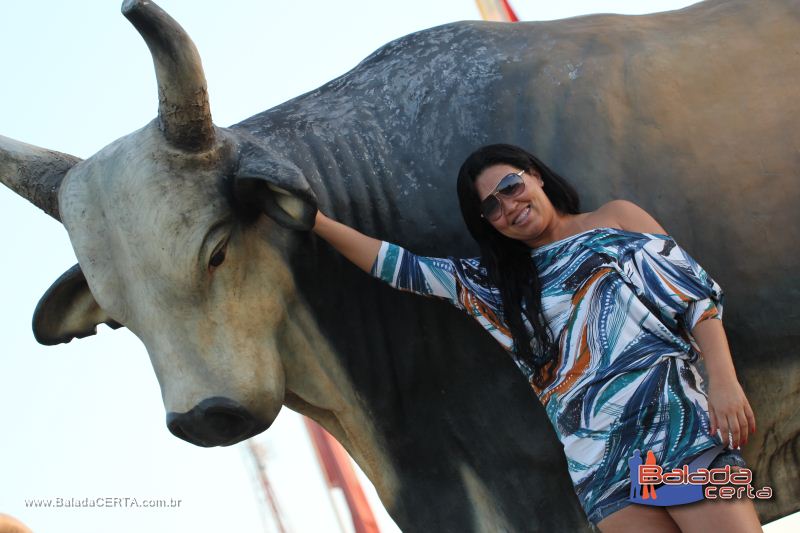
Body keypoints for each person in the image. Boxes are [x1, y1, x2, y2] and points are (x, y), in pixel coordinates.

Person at [311, 143, 761, 532]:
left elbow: (694, 298)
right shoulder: (494, 287)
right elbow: (399, 267)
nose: (507, 205)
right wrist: (316, 222)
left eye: (510, 186)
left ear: (535, 176)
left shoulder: (616, 219)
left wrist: (723, 381)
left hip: (680, 431)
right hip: (601, 469)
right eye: (491, 206)